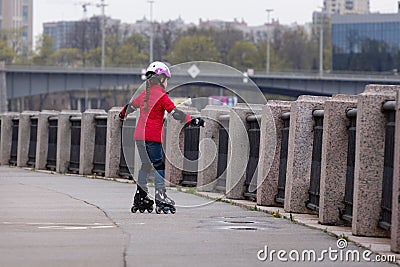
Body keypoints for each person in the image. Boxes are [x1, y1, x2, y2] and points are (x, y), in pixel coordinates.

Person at [118, 61, 205, 214]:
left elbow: (129, 107)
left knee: (145, 165)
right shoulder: (161, 96)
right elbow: (175, 113)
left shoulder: (144, 94)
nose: (167, 82)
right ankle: (160, 197)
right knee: (159, 166)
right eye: (166, 79)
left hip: (139, 136)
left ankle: (141, 196)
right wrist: (193, 120)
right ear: (161, 78)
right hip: (152, 137)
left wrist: (121, 116)